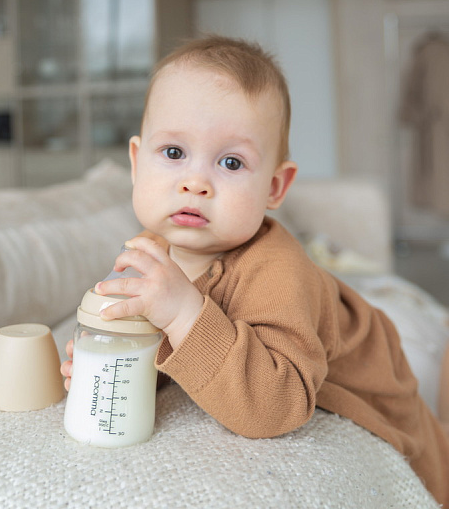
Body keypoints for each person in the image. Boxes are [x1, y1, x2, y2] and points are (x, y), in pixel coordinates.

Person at [61, 35, 449, 507]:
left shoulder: (277, 271)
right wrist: (111, 363)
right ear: (136, 162)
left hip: (382, 375)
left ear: (274, 187)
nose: (195, 182)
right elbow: (171, 352)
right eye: (174, 153)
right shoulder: (150, 250)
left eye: (231, 162)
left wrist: (183, 314)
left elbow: (276, 406)